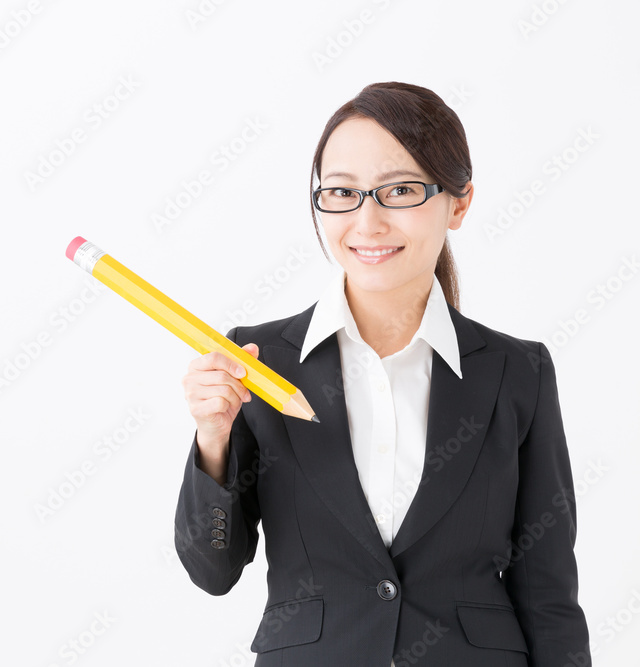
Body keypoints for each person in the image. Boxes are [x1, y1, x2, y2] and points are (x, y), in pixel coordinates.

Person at [173, 82, 592, 666]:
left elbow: (549, 595)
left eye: (399, 190)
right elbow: (212, 570)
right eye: (342, 192)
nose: (367, 221)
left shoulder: (518, 373)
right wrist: (213, 440)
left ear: (459, 201)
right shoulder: (257, 362)